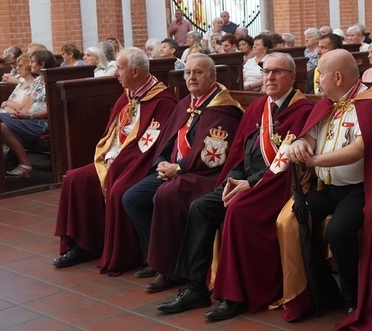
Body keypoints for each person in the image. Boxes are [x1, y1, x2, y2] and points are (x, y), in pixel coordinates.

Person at [155, 53, 313, 316]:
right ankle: (195, 287)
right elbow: (238, 153)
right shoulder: (257, 108)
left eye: (277, 72)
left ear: (293, 77)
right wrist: (233, 180)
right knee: (201, 206)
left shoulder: (302, 111)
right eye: (266, 72)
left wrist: (249, 183)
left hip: (276, 186)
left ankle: (235, 297)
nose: (270, 77)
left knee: (237, 212)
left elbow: (286, 164)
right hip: (245, 181)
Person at [281, 49, 372, 329]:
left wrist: (315, 160)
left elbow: (361, 148)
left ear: (337, 76)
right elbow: (308, 134)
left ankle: (354, 298)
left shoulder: (369, 104)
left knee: (339, 230)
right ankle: (321, 292)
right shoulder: (328, 102)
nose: (317, 79)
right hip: (327, 186)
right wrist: (300, 144)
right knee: (299, 217)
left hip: (360, 189)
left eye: (321, 74)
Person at [122, 54, 243, 292]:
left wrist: (179, 168)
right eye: (188, 73)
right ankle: (156, 257)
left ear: (212, 76)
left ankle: (169, 270)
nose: (191, 77)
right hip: (175, 171)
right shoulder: (185, 103)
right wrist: (160, 163)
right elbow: (167, 141)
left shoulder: (224, 108)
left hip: (205, 176)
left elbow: (214, 157)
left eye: (198, 72)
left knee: (165, 196)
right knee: (132, 198)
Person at [53, 48, 178, 274]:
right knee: (75, 178)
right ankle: (84, 245)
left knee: (119, 190)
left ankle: (127, 254)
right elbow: (112, 134)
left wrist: (116, 164)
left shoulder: (163, 102)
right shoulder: (127, 95)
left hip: (139, 166)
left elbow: (148, 147)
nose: (115, 74)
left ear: (136, 71)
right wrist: (109, 158)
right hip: (115, 160)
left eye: (120, 69)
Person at [1, 50, 56, 178]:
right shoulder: (37, 81)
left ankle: (22, 164)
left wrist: (28, 116)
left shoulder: (52, 82)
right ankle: (22, 164)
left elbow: (52, 109)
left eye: (32, 62)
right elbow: (28, 103)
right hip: (28, 117)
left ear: (42, 64)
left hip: (42, 122)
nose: (30, 65)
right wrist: (20, 113)